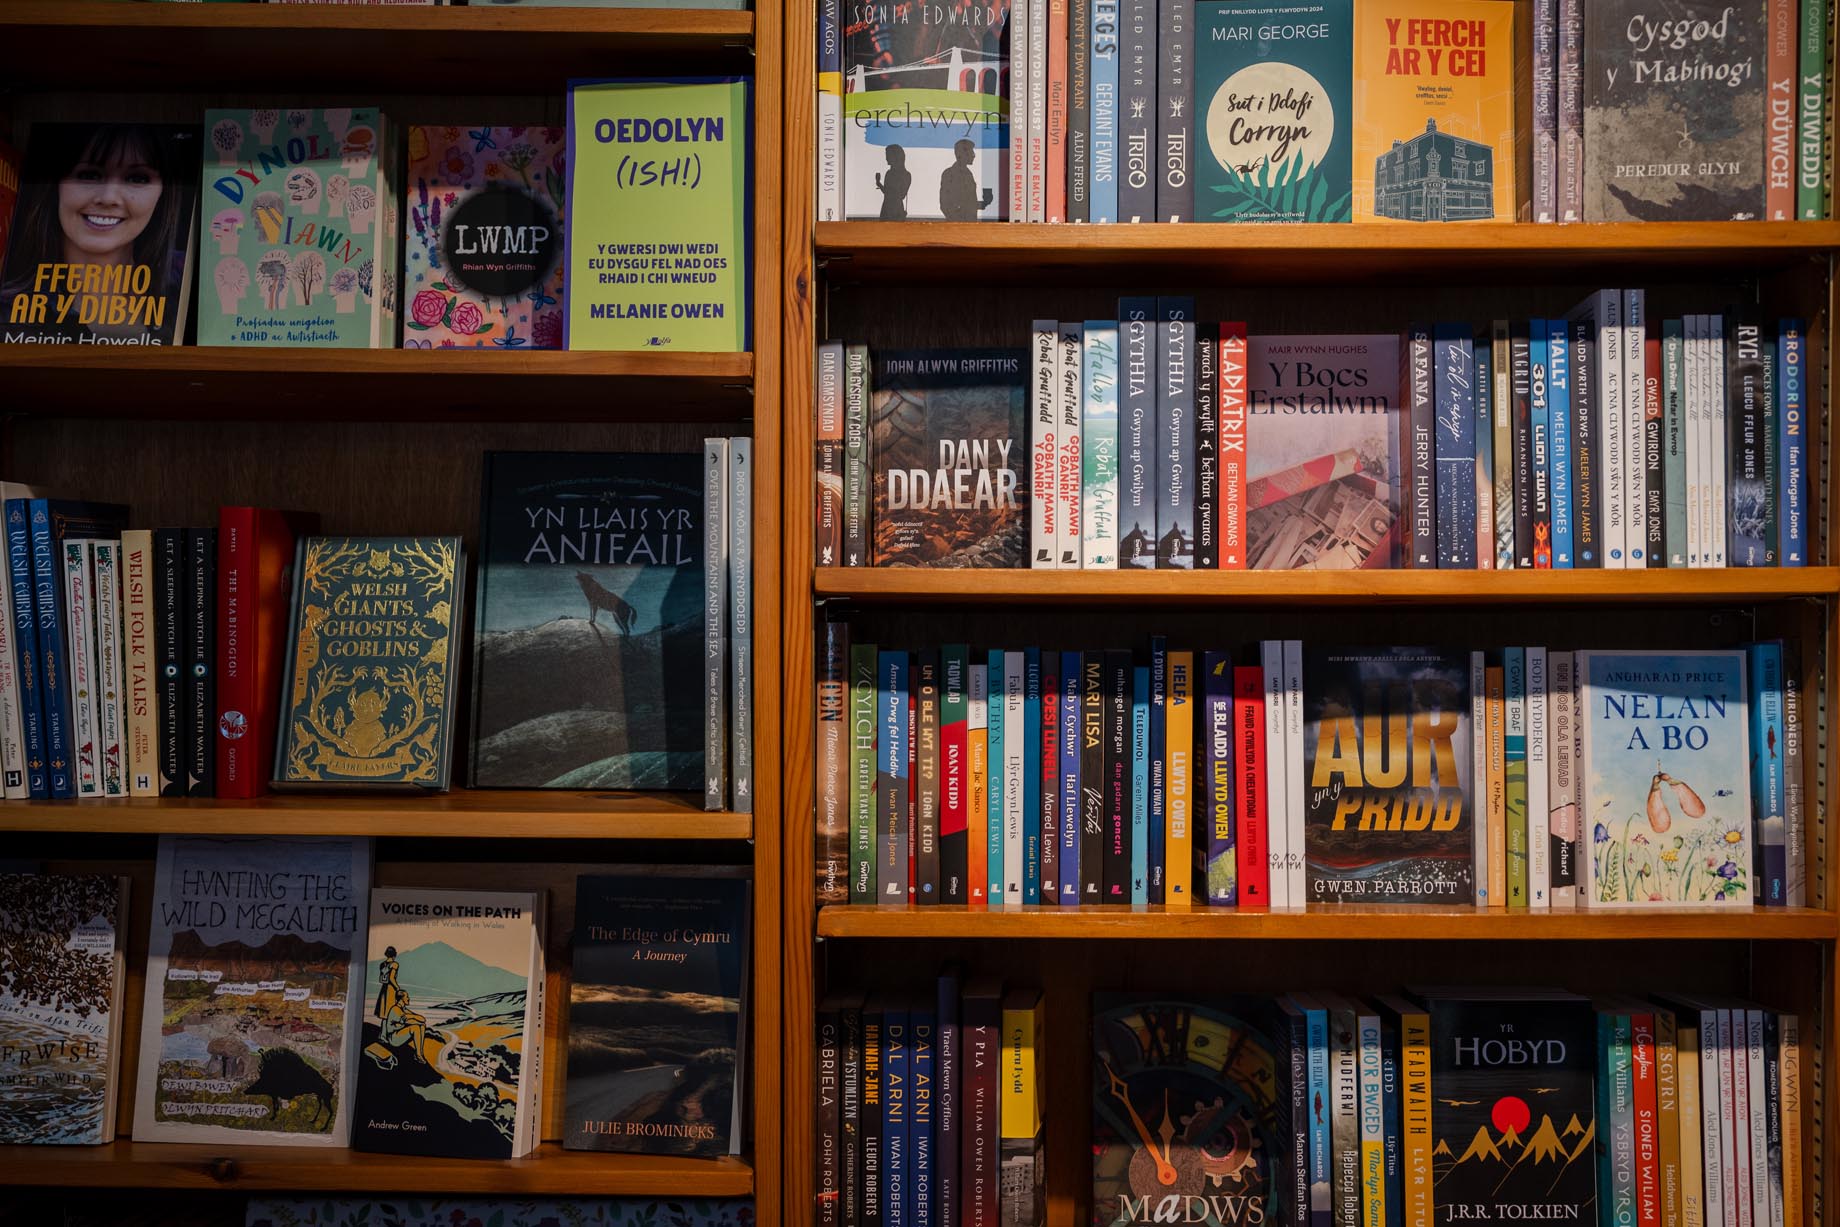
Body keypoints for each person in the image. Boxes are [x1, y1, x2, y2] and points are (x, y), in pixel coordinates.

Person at [0, 123, 194, 342]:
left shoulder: (188, 287)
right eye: (89, 175)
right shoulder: (8, 314)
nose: (109, 197)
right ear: (55, 186)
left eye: (137, 178)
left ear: (163, 194)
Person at [375, 945, 431, 1065]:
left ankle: (383, 1036)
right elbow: (391, 978)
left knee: (385, 1014)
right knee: (390, 1011)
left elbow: (381, 979)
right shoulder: (394, 964)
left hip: (384, 990)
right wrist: (397, 988)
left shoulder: (382, 964)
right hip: (391, 990)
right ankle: (387, 1037)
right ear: (394, 955)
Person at [939, 138, 991, 220]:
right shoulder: (949, 174)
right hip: (958, 227)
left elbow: (968, 203)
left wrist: (984, 203)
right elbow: (945, 205)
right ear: (962, 154)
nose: (974, 155)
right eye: (971, 152)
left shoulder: (968, 174)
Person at [875, 144, 911, 221]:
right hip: (886, 209)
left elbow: (901, 195)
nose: (886, 158)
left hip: (896, 211)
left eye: (888, 155)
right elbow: (887, 192)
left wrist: (882, 186)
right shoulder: (889, 173)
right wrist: (878, 183)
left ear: (896, 156)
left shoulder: (906, 175)